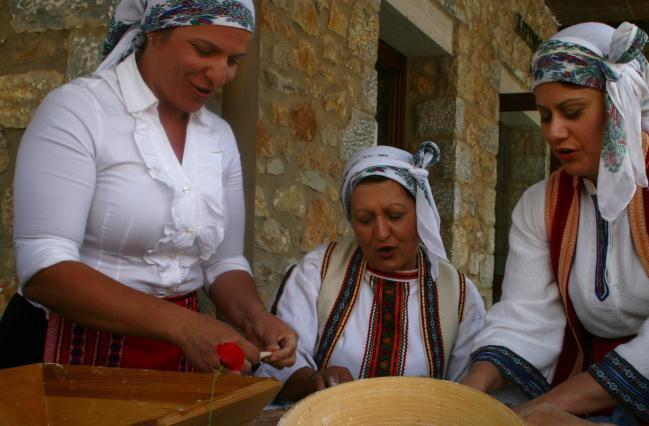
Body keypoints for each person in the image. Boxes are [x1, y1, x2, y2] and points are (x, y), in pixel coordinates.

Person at [0, 0, 297, 373]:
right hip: (66, 350)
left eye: (233, 60)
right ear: (155, 32)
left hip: (176, 358)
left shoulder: (218, 137)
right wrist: (182, 325)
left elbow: (223, 261)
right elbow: (45, 268)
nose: (220, 74)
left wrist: (256, 318)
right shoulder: (79, 111)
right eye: (205, 50)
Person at [461, 22, 649, 424]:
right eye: (545, 116)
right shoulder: (541, 204)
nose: (554, 131)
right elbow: (526, 315)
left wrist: (535, 413)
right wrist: (464, 400)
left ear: (617, 106)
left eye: (572, 112)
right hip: (589, 380)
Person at [256, 142, 486, 402]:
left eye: (395, 215)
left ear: (420, 213)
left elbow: (466, 394)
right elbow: (275, 370)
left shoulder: (458, 296)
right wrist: (312, 381)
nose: (380, 232)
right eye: (365, 220)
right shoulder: (317, 272)